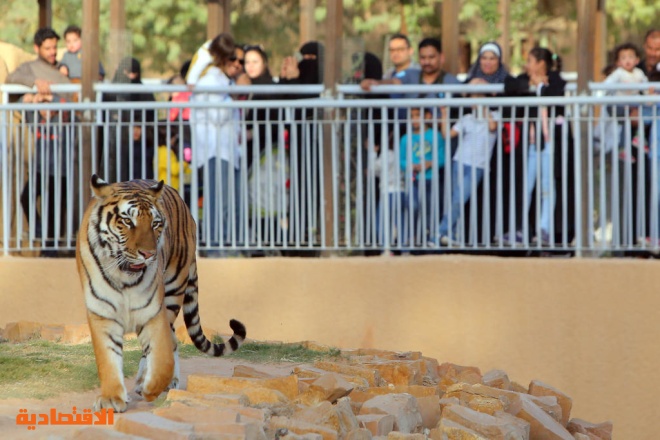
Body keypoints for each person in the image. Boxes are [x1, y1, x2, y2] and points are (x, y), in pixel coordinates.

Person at [502, 47, 575, 246]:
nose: (526, 65)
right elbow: (509, 85)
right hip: (532, 144)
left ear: (541, 63)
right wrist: (532, 85)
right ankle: (519, 228)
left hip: (550, 143)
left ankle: (545, 228)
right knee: (526, 186)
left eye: (530, 61)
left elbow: (553, 94)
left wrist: (539, 88)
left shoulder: (556, 79)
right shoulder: (523, 79)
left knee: (547, 186)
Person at [190, 33, 243, 253]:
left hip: (227, 148)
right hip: (215, 148)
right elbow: (217, 115)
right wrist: (231, 99)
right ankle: (215, 247)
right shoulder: (211, 80)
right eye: (233, 60)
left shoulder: (221, 80)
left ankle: (228, 244)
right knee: (216, 199)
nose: (238, 65)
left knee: (229, 199)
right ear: (224, 59)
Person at [437, 78, 499, 246]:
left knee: (459, 198)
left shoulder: (494, 115)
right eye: (473, 97)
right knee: (455, 199)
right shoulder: (466, 118)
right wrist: (443, 115)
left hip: (477, 167)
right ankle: (452, 234)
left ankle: (440, 233)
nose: (475, 101)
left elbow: (493, 127)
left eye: (479, 97)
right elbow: (447, 135)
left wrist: (483, 107)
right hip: (459, 161)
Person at [20, 93, 75, 257]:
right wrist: (30, 99)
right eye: (42, 107)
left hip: (60, 173)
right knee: (26, 198)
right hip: (39, 170)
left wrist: (52, 99)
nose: (44, 110)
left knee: (54, 211)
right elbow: (21, 106)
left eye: (48, 106)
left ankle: (50, 249)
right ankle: (38, 229)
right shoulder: (38, 120)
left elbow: (69, 107)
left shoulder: (63, 119)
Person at [102, 56, 157, 182]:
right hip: (116, 144)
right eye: (128, 73)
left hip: (140, 147)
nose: (131, 77)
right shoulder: (110, 92)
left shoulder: (144, 93)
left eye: (135, 73)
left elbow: (150, 116)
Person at [399, 107, 446, 245]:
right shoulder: (405, 138)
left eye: (417, 115)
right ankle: (413, 235)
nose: (414, 119)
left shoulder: (435, 135)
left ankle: (431, 239)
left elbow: (442, 157)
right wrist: (411, 166)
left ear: (427, 116)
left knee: (431, 210)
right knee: (412, 205)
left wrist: (430, 163)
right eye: (411, 116)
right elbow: (401, 160)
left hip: (431, 179)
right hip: (413, 179)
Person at [6, 27, 70, 99]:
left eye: (54, 47)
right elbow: (11, 78)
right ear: (36, 48)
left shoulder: (63, 67)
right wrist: (35, 81)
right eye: (47, 48)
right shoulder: (29, 67)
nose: (53, 52)